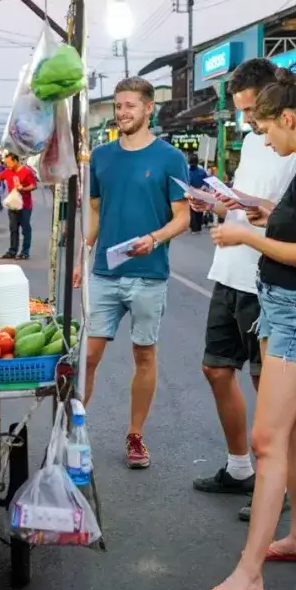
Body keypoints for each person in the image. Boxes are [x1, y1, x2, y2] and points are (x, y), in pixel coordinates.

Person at [200, 68, 296, 590]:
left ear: (288, 118)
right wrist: (261, 213)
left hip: (295, 313)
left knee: (266, 441)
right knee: (295, 428)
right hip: (286, 308)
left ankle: (249, 570)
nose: (262, 140)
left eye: (265, 129)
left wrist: (245, 234)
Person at [187, 58, 296, 522]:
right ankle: (239, 469)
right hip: (229, 269)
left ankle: (281, 483)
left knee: (268, 387)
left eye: (253, 111)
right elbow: (246, 196)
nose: (250, 123)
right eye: (243, 113)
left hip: (265, 276)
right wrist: (218, 203)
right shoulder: (255, 142)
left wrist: (266, 212)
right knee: (216, 370)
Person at [72, 76, 190, 469]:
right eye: (119, 106)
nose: (122, 112)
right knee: (88, 355)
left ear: (148, 109)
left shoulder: (171, 158)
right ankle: (72, 429)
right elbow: (94, 212)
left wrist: (154, 239)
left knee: (144, 354)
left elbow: (182, 218)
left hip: (148, 274)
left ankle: (135, 435)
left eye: (130, 106)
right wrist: (81, 255)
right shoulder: (102, 157)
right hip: (105, 273)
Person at [0, 153, 38, 259]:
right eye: (6, 163)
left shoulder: (26, 172)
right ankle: (12, 251)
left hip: (25, 205)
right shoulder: (8, 171)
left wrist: (23, 189)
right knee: (13, 228)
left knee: (25, 229)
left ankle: (25, 252)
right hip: (12, 205)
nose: (7, 165)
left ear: (15, 161)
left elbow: (33, 185)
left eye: (9, 163)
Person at [187, 152, 208, 234]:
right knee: (193, 210)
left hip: (200, 193)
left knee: (199, 210)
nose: (192, 165)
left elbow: (207, 181)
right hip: (191, 193)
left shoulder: (202, 172)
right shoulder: (187, 171)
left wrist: (203, 187)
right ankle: (194, 228)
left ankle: (197, 227)